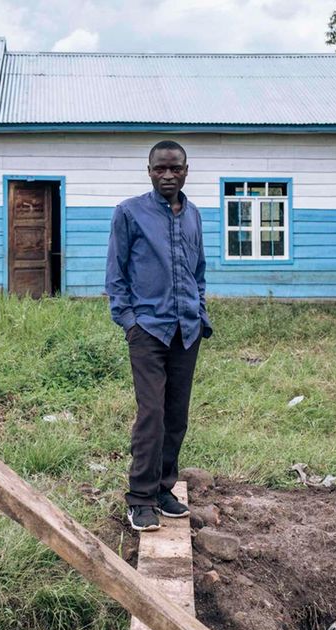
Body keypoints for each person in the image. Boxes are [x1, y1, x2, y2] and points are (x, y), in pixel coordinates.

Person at [105, 140, 212, 532]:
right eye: (160, 169)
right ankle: (139, 498)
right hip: (148, 331)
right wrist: (129, 322)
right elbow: (115, 277)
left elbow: (198, 271)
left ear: (186, 170)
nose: (168, 175)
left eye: (175, 169)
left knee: (175, 416)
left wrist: (199, 312)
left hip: (187, 331)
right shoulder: (129, 213)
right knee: (151, 414)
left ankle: (165, 489)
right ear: (148, 171)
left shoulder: (194, 215)